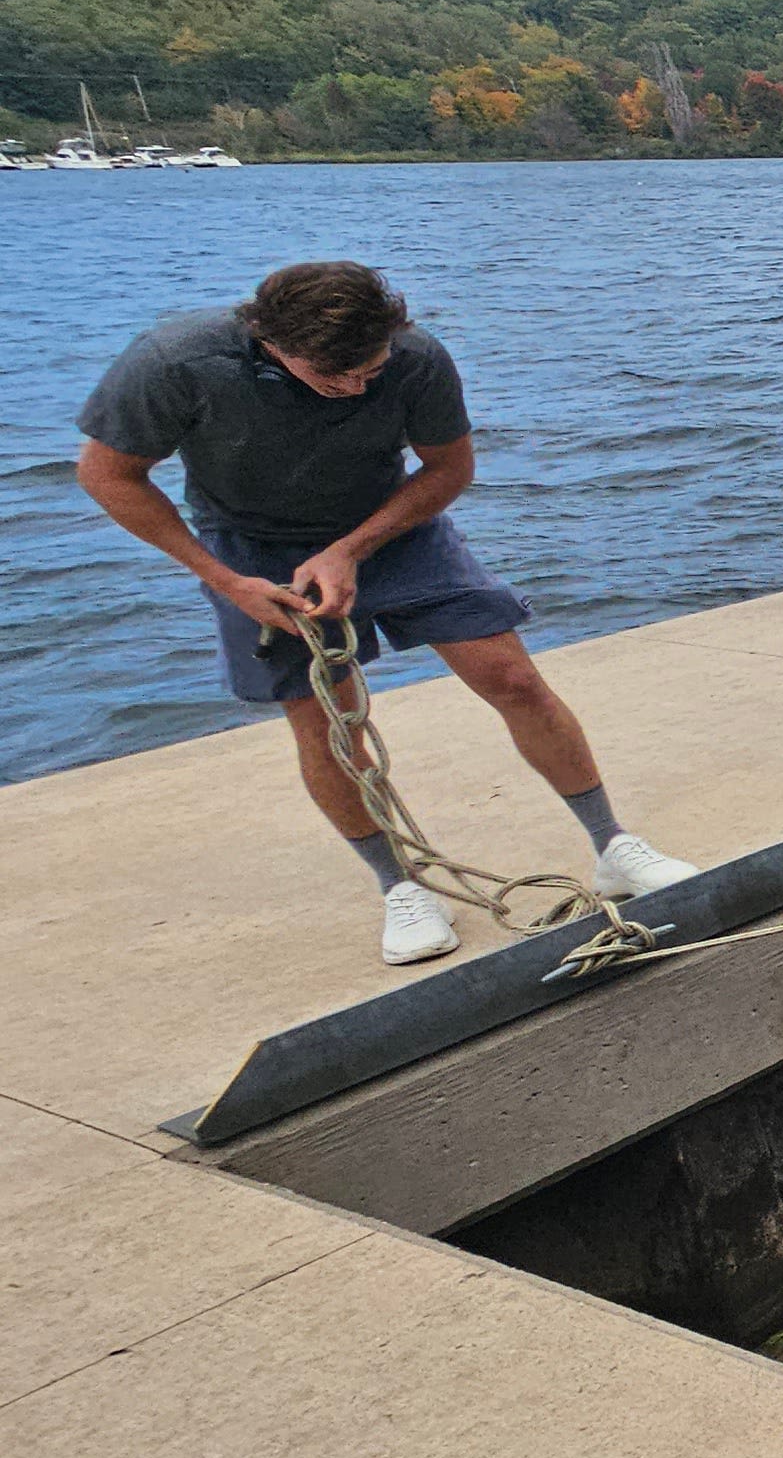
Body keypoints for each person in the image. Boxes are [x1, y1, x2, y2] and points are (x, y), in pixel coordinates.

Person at [75, 261, 696, 966]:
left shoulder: (415, 356)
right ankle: (398, 887)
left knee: (511, 677)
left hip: (391, 526)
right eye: (334, 376)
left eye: (369, 371)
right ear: (269, 340)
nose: (356, 387)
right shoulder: (174, 363)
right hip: (252, 548)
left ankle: (612, 844)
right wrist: (226, 582)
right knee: (330, 723)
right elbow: (106, 474)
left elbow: (448, 469)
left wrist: (352, 548)